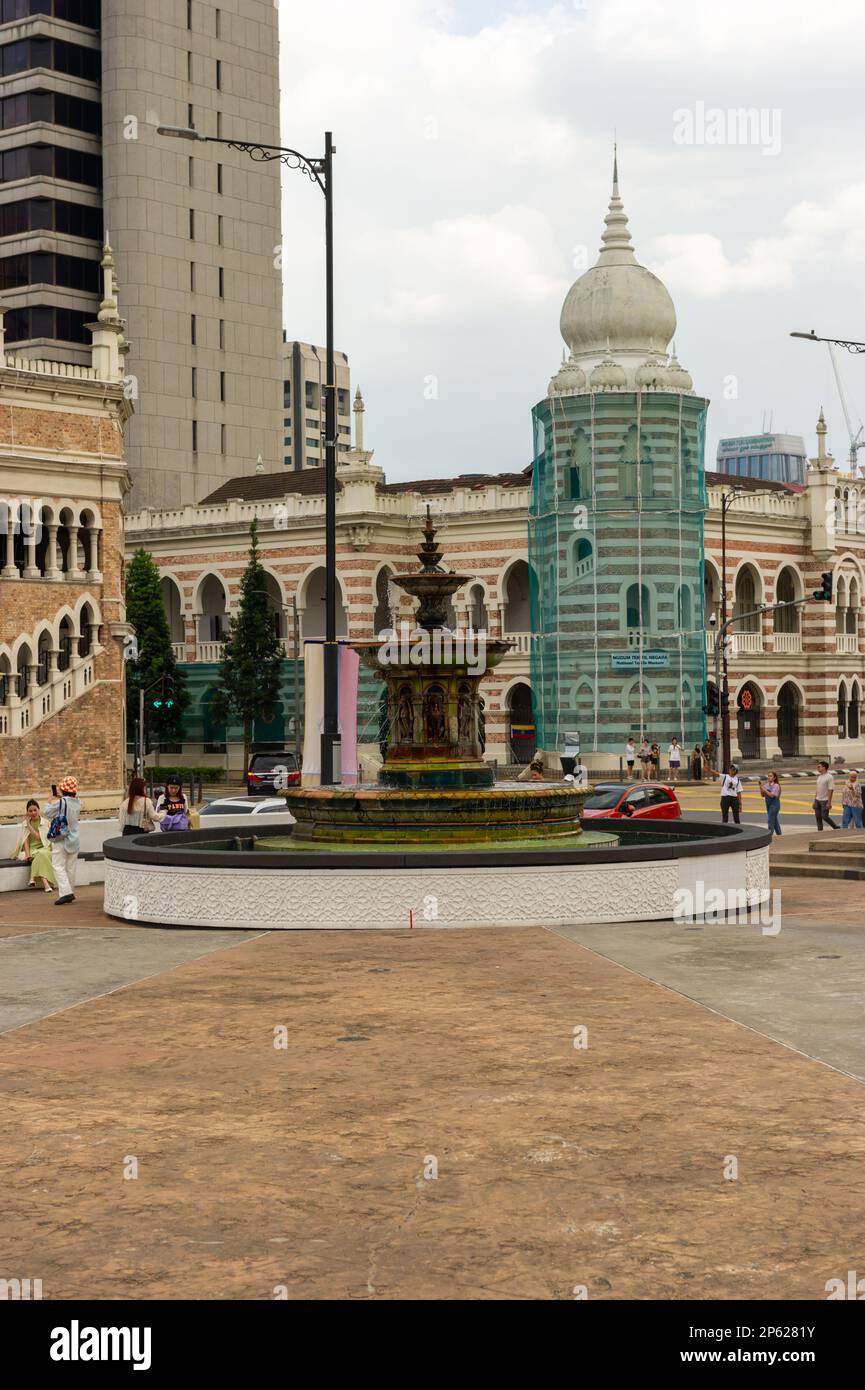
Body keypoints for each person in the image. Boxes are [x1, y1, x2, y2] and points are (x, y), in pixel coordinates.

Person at [43, 775, 81, 905]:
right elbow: (68, 804)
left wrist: (49, 800)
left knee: (57, 866)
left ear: (62, 789)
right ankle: (70, 892)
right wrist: (61, 798)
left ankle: (66, 893)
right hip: (75, 839)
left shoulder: (61, 802)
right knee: (71, 868)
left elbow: (48, 812)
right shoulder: (79, 802)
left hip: (61, 839)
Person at [13, 800, 57, 891]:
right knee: (40, 855)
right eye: (30, 811)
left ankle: (32, 878)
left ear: (39, 810)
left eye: (35, 810)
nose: (33, 813)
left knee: (42, 853)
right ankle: (46, 884)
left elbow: (38, 837)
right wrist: (28, 854)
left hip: (45, 847)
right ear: (27, 812)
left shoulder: (45, 822)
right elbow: (25, 841)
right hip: (33, 850)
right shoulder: (24, 824)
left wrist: (29, 825)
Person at [813, 760, 839, 831]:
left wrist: (829, 802)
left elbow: (831, 790)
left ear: (824, 767)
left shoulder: (829, 777)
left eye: (819, 767)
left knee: (824, 816)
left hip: (825, 800)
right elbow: (817, 789)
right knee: (818, 817)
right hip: (818, 799)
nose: (817, 768)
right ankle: (820, 830)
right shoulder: (819, 777)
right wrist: (814, 800)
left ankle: (835, 827)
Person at [758, 769, 782, 837]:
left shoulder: (776, 785)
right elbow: (762, 795)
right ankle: (779, 834)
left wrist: (764, 789)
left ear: (774, 778)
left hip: (774, 804)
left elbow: (771, 795)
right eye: (768, 776)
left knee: (770, 820)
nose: (769, 777)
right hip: (768, 804)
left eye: (771, 776)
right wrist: (760, 787)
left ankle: (769, 836)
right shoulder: (766, 785)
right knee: (774, 820)